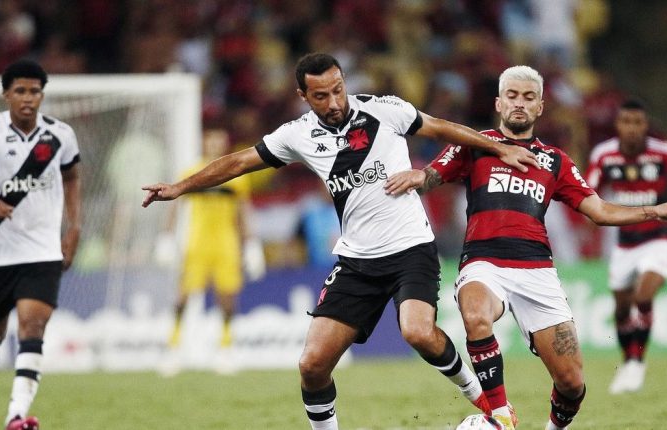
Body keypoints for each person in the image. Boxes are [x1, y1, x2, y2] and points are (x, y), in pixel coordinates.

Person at [142, 52, 540, 429]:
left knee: (417, 331)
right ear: (303, 96)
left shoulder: (384, 110)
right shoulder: (297, 135)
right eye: (320, 95)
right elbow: (238, 162)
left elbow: (440, 126)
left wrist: (499, 147)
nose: (333, 101)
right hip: (357, 261)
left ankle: (482, 397)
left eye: (337, 89)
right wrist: (180, 188)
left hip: (411, 249)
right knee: (312, 365)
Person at [384, 65, 667, 430]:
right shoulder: (476, 145)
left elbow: (600, 211)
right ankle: (499, 415)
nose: (519, 104)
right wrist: (421, 176)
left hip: (536, 271)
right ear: (498, 102)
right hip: (483, 262)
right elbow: (433, 174)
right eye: (512, 96)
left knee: (572, 384)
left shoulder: (555, 161)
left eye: (528, 98)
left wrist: (654, 210)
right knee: (476, 313)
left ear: (540, 107)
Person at [0, 59, 82, 430]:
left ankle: (16, 416)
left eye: (35, 91)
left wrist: (73, 228)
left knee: (32, 326)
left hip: (42, 250)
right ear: (6, 94)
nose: (28, 99)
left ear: (43, 94)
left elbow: (72, 177)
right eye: (21, 91)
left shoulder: (60, 135)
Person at [585, 99, 667, 394]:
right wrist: (589, 225)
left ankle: (637, 362)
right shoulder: (604, 155)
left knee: (643, 293)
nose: (632, 129)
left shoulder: (663, 152)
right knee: (621, 309)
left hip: (660, 238)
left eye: (638, 122)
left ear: (646, 126)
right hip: (624, 243)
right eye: (626, 122)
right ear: (618, 125)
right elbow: (588, 192)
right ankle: (628, 361)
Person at [159, 128, 263, 376]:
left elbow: (243, 211)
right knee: (183, 297)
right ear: (204, 143)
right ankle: (173, 349)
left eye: (220, 141)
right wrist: (166, 237)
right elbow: (175, 205)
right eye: (211, 141)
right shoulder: (191, 172)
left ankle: (225, 350)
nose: (215, 145)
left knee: (227, 298)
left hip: (226, 244)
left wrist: (251, 244)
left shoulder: (237, 177)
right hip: (196, 242)